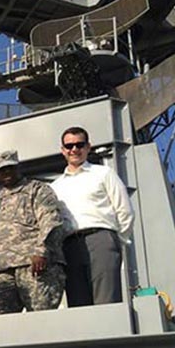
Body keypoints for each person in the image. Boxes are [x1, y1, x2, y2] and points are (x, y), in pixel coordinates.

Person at [0, 151, 65, 313]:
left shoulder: (37, 190)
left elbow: (51, 220)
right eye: (2, 170)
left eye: (10, 168)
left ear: (18, 167)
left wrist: (42, 251)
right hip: (1, 269)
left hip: (33, 265)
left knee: (42, 317)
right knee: (1, 321)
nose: (7, 173)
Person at [51, 126, 134, 306]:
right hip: (70, 245)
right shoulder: (56, 186)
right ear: (62, 150)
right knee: (79, 306)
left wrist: (116, 241)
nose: (74, 149)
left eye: (79, 145)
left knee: (107, 301)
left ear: (88, 147)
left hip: (101, 240)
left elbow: (124, 210)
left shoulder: (104, 174)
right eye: (69, 146)